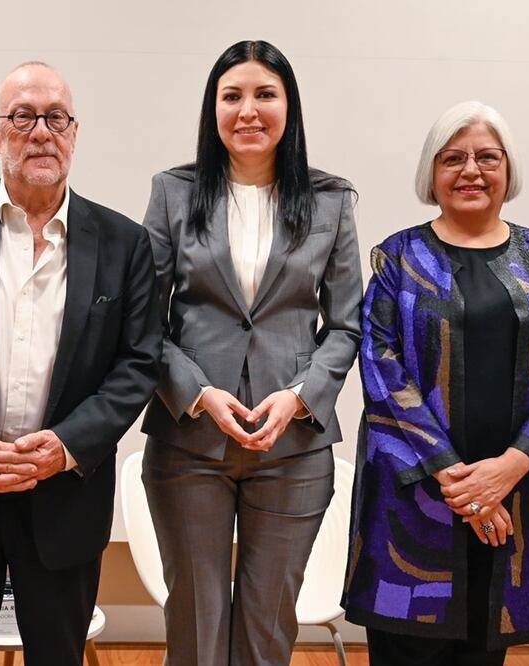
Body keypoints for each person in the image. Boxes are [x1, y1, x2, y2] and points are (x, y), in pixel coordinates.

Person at [0, 61, 161, 666]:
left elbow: (137, 364)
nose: (42, 131)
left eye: (56, 117)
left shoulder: (123, 243)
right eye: (22, 117)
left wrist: (65, 445)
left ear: (74, 131)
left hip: (63, 498)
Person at [342, 101, 529, 665]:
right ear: (431, 174)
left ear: (509, 169)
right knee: (407, 647)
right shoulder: (398, 258)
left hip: (518, 495)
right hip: (420, 496)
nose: (471, 170)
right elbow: (381, 370)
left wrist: (510, 468)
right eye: (452, 158)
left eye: (487, 157)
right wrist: (459, 483)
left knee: (486, 647)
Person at [140, 40, 362, 666]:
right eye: (231, 95)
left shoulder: (330, 200)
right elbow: (144, 324)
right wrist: (198, 393)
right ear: (213, 107)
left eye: (265, 94)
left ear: (288, 106)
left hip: (292, 447)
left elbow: (346, 326)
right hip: (189, 444)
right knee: (195, 627)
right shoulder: (173, 192)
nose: (248, 110)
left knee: (268, 630)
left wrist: (299, 398)